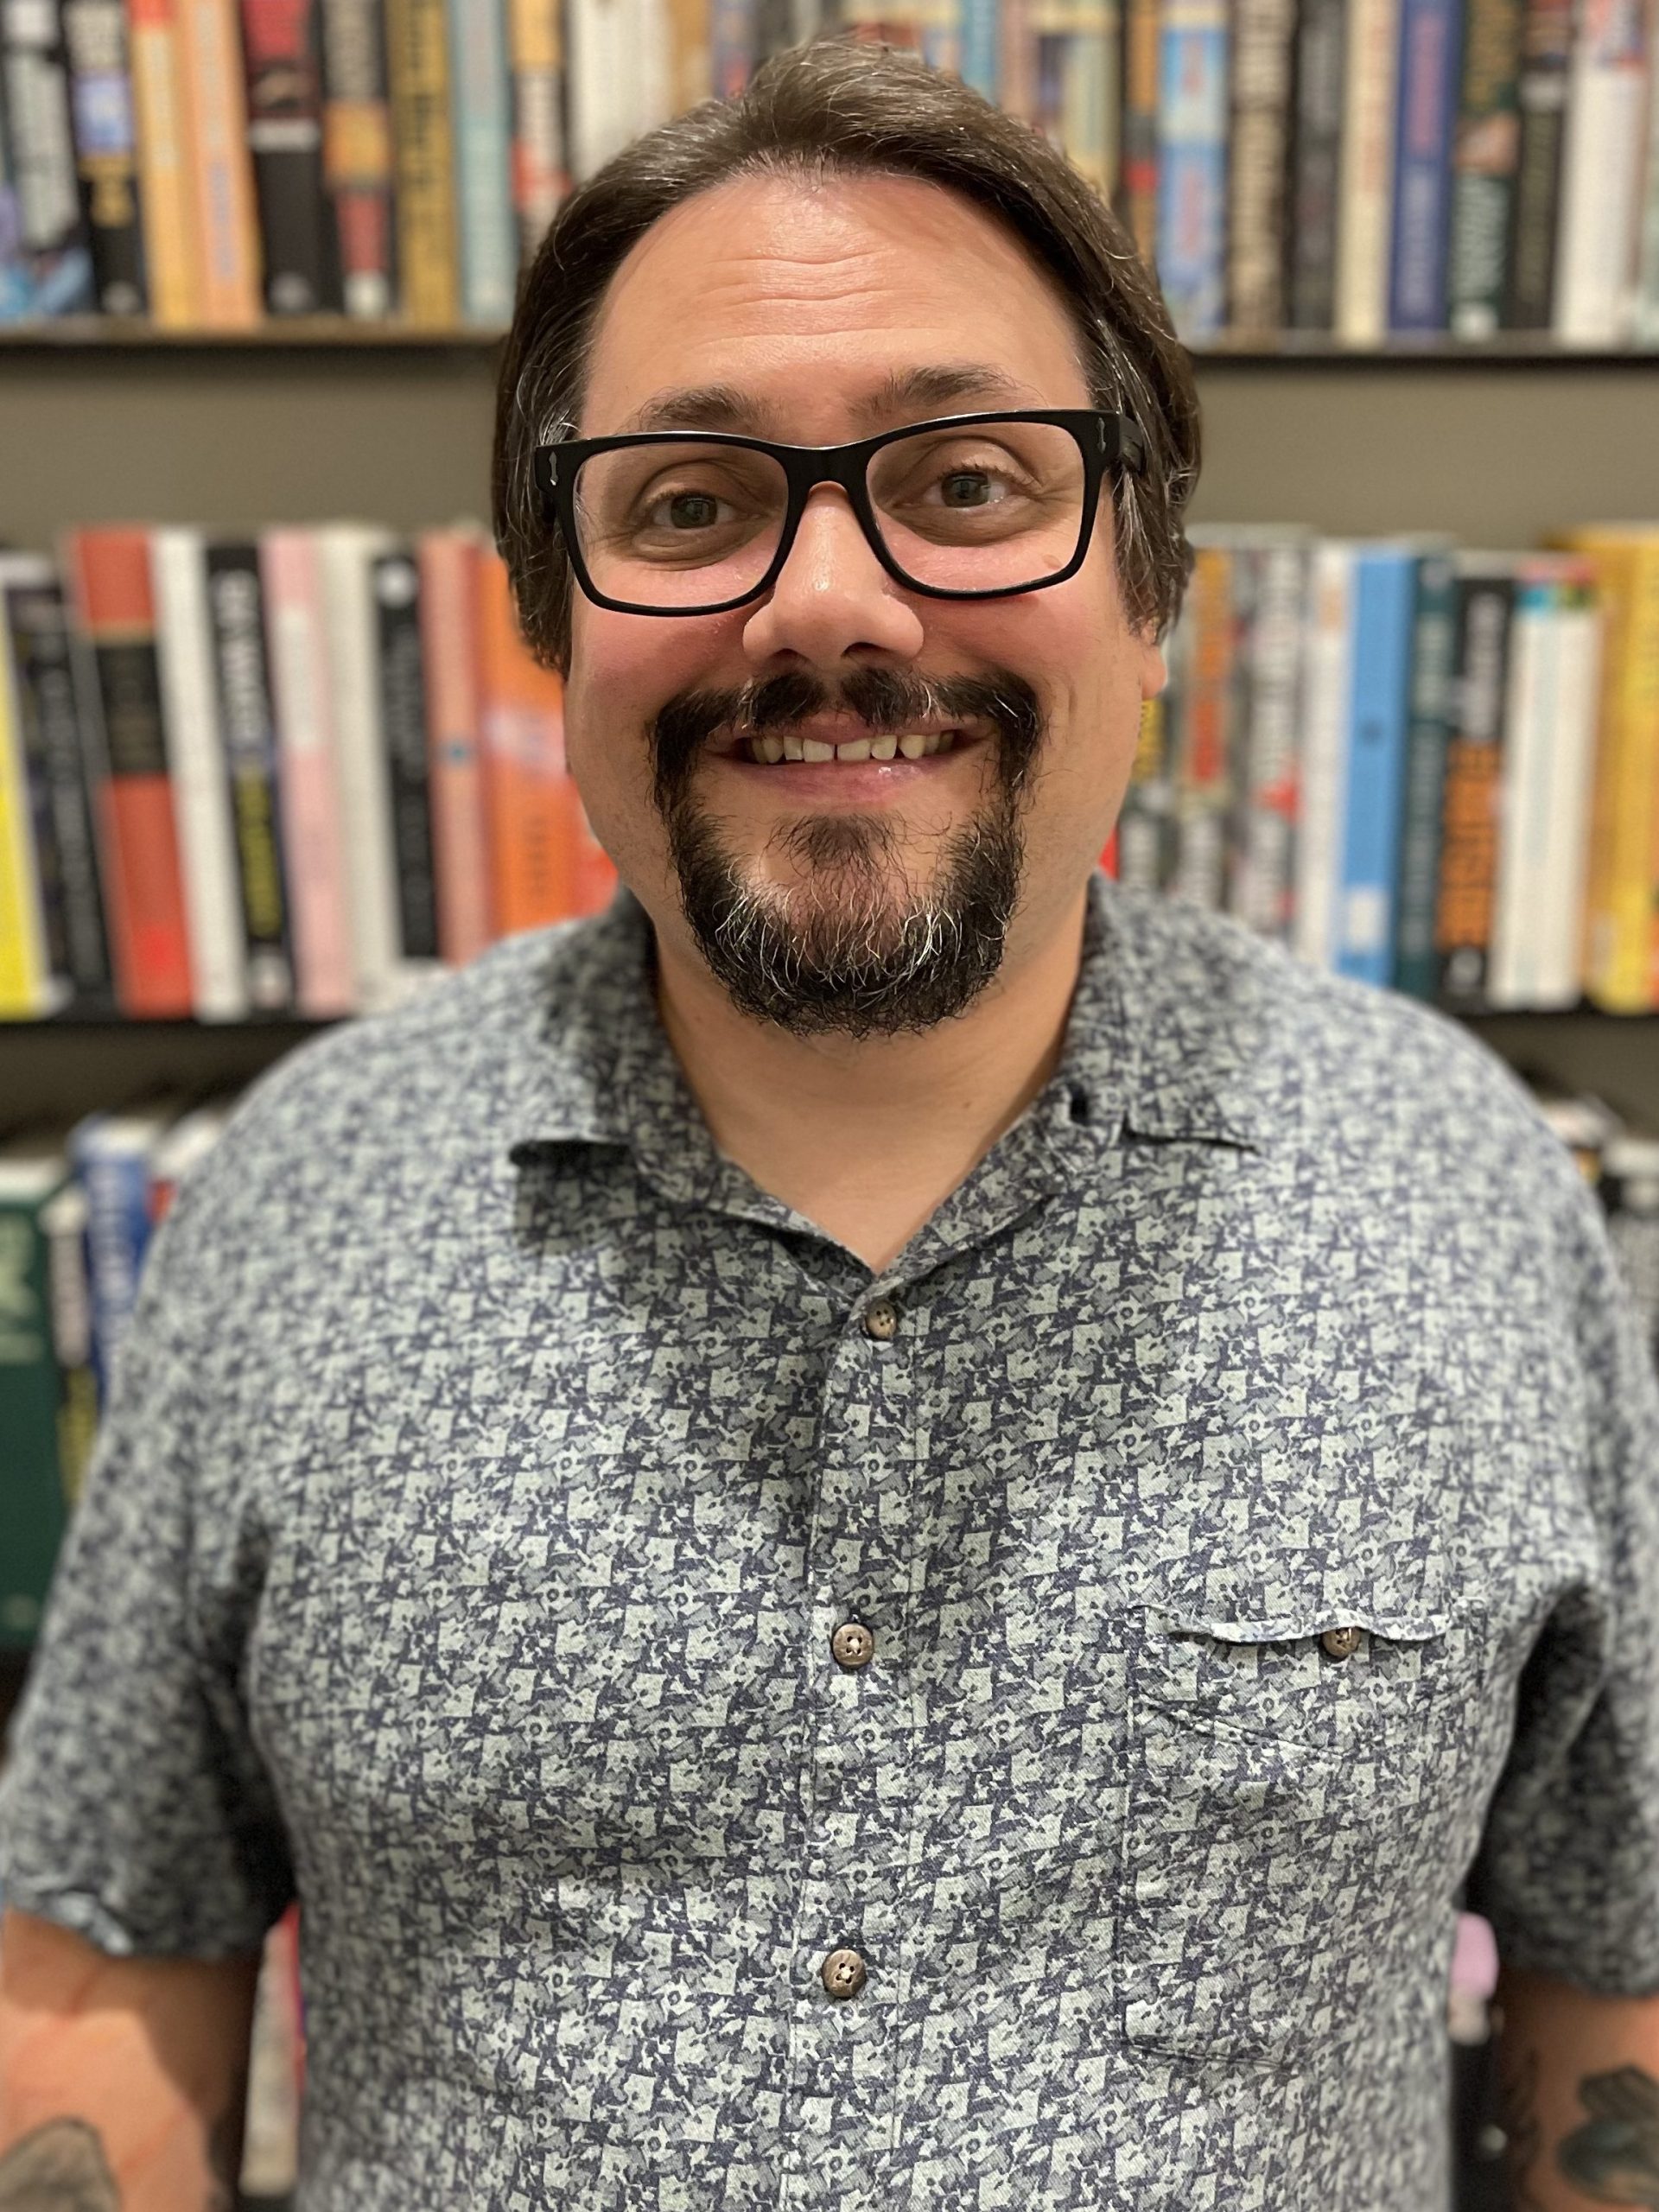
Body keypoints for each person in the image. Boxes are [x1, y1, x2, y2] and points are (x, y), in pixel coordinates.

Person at [3, 38, 1657, 2212]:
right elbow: (112, 1966)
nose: (831, 608)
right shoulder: (306, 1197)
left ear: (1149, 583)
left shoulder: (1455, 1196)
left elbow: (1608, 1966)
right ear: (545, 613)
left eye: (967, 482)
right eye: (690, 507)